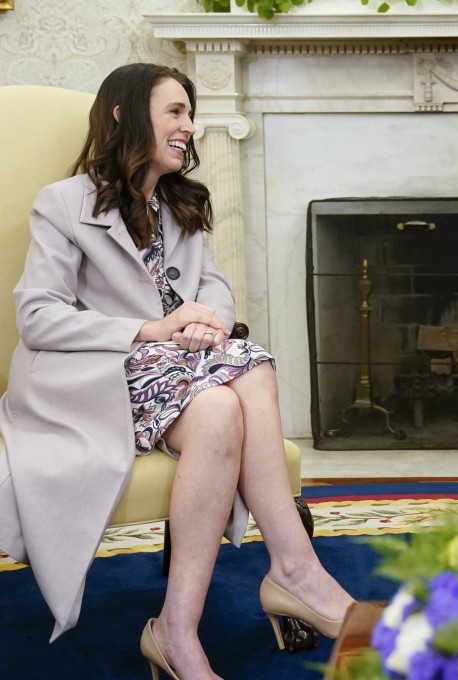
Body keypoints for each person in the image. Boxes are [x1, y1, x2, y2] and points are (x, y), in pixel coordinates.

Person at [0, 64, 355, 679]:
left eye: (189, 114)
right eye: (175, 113)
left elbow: (214, 292)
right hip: (95, 378)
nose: (189, 127)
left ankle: (175, 632)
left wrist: (202, 324)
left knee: (225, 400)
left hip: (184, 374)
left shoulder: (177, 205)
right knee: (253, 366)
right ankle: (296, 570)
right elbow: (36, 317)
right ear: (125, 115)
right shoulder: (63, 203)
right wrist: (152, 329)